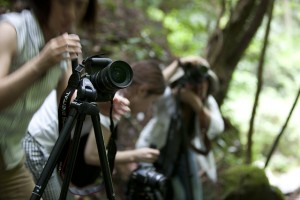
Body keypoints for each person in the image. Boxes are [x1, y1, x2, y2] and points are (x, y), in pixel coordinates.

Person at [0, 0, 82, 199]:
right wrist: (40, 62)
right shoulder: (11, 30)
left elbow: (67, 105)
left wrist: (99, 101)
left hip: (9, 160)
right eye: (63, 3)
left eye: (79, 4)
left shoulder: (62, 50)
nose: (71, 14)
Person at [135, 55, 225, 200]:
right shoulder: (169, 97)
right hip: (155, 148)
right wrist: (179, 63)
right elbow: (154, 87)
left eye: (203, 82)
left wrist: (196, 104)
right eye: (193, 81)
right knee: (155, 191)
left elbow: (217, 127)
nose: (198, 86)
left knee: (192, 194)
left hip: (184, 153)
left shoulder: (207, 102)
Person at [84, 59, 166, 200]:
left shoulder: (114, 88)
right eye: (152, 102)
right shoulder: (115, 102)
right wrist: (135, 155)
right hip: (42, 150)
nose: (150, 108)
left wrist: (179, 64)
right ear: (142, 91)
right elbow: (93, 156)